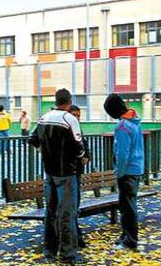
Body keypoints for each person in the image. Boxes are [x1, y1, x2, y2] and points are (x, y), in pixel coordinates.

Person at [29, 89, 86, 264]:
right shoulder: (69, 120)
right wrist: (77, 156)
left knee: (51, 212)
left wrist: (45, 153)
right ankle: (68, 255)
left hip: (49, 172)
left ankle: (49, 250)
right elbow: (79, 148)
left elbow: (33, 139)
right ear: (69, 101)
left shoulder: (43, 118)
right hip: (66, 173)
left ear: (56, 100)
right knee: (67, 214)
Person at [103, 93, 144, 250]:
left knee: (127, 208)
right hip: (137, 168)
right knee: (129, 204)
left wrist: (118, 172)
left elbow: (122, 154)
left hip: (127, 171)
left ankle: (130, 240)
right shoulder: (135, 122)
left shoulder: (122, 127)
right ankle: (125, 236)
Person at [68, 104, 90, 248]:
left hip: (77, 171)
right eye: (74, 115)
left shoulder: (77, 128)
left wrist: (87, 156)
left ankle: (76, 235)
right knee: (72, 205)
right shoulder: (66, 129)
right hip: (70, 171)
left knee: (75, 204)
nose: (77, 118)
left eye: (78, 116)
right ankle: (76, 236)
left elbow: (84, 145)